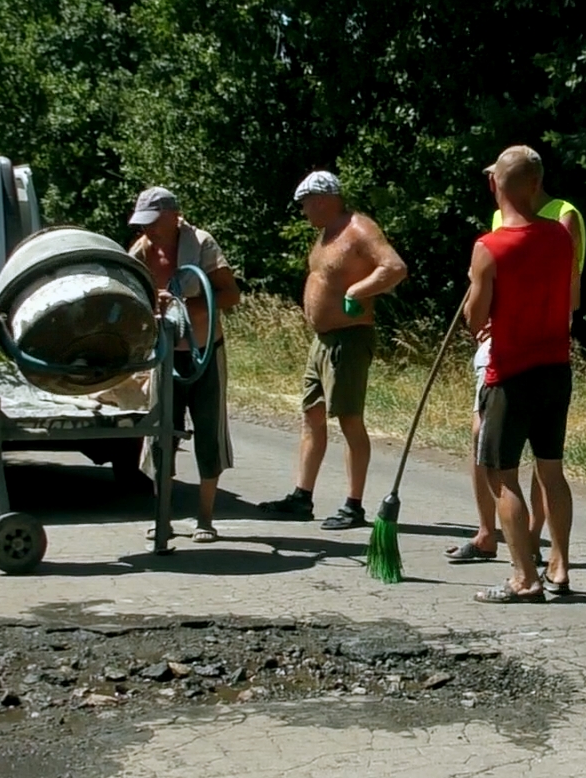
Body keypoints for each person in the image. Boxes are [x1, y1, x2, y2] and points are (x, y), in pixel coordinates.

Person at [445, 148, 585, 566]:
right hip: (555, 368)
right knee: (551, 470)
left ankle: (523, 576)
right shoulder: (562, 235)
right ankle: (559, 565)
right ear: (535, 185)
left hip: (510, 371)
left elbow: (476, 320)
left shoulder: (489, 247)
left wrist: (477, 286)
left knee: (500, 474)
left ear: (495, 184)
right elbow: (568, 296)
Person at [258, 171, 408, 528]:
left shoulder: (359, 230)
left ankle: (353, 506)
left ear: (323, 200)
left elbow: (395, 267)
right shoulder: (327, 234)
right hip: (322, 341)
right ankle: (301, 497)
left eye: (306, 204)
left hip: (349, 339)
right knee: (312, 416)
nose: (304, 212)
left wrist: (358, 291)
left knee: (349, 420)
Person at [126, 186, 241, 543]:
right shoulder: (141, 252)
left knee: (209, 432)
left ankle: (205, 518)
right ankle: (163, 516)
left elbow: (230, 294)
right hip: (164, 354)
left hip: (204, 351)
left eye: (153, 223)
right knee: (162, 434)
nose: (148, 230)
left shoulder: (202, 244)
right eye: (143, 224)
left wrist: (183, 304)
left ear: (174, 216)